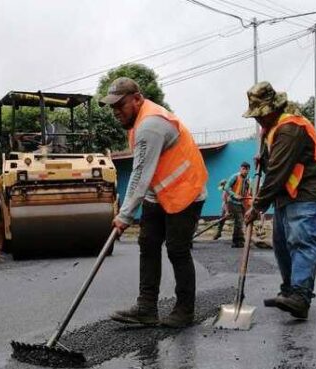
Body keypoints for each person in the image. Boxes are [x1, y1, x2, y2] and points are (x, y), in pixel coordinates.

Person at [100, 77, 208, 328]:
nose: (116, 112)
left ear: (137, 99)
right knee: (148, 244)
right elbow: (148, 175)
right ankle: (146, 308)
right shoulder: (138, 123)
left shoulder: (150, 124)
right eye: (113, 107)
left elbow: (139, 174)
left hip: (186, 191)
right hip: (158, 194)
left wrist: (124, 215)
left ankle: (184, 311)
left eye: (121, 105)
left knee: (177, 249)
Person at [242, 82, 316, 319]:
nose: (258, 120)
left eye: (260, 115)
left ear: (273, 109)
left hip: (309, 190)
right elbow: (271, 161)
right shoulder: (270, 128)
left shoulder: (290, 127)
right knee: (282, 244)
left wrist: (257, 206)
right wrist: (262, 156)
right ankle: (289, 290)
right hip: (287, 195)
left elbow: (278, 172)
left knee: (301, 241)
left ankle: (300, 297)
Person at [221, 162, 252, 247]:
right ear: (240, 169)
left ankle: (237, 241)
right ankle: (238, 241)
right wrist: (234, 195)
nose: (245, 171)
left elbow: (248, 190)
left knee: (239, 221)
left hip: (242, 202)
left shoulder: (248, 179)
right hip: (233, 201)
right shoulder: (235, 177)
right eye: (243, 169)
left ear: (249, 170)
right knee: (239, 220)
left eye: (247, 169)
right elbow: (226, 187)